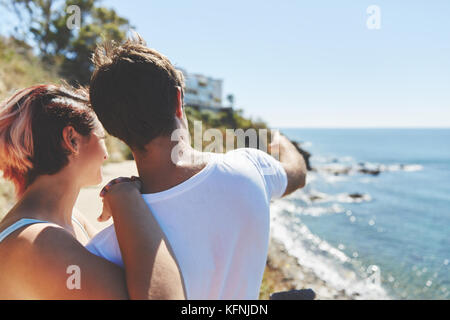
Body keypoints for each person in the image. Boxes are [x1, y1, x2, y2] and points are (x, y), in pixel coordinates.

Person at [86, 36, 307, 299]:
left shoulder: (106, 251)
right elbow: (298, 173)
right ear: (178, 101)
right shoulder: (252, 167)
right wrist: (282, 143)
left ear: (113, 129)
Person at [0, 84, 185, 299]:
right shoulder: (38, 242)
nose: (106, 154)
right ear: (72, 140)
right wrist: (125, 197)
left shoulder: (70, 218)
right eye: (103, 138)